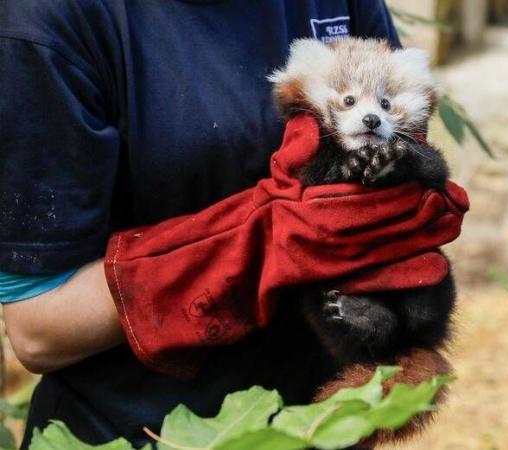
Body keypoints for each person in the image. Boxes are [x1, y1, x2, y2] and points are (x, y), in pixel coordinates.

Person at [0, 1, 465, 448]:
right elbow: (37, 332)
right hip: (140, 432)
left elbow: (405, 156)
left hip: (320, 420)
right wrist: (256, 248)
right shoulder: (47, 23)